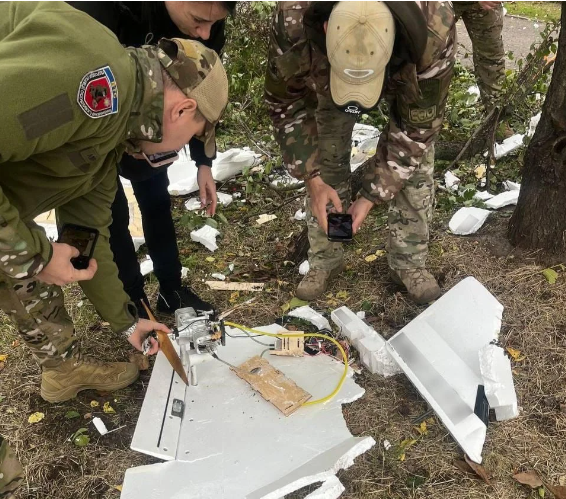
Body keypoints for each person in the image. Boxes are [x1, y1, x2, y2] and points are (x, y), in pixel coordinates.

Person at [0, 2, 228, 494]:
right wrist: (35, 255)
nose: (172, 156)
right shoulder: (95, 82)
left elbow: (87, 232)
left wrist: (126, 321)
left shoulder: (112, 135)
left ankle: (58, 370)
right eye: (186, 141)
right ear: (182, 108)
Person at [265, 1, 456, 304]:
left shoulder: (433, 29)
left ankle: (408, 264)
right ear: (326, 28)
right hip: (327, 69)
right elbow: (285, 103)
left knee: (413, 161)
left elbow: (416, 129)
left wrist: (370, 197)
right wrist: (312, 179)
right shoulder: (294, 20)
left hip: (405, 66)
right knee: (325, 152)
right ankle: (327, 258)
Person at [69, 1, 236, 319]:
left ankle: (171, 290)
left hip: (157, 129)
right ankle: (134, 303)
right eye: (199, 21)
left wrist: (203, 162)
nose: (205, 32)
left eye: (214, 24)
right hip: (94, 120)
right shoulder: (104, 9)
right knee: (110, 212)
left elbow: (203, 95)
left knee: (156, 198)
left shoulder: (209, 14)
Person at [453, 1, 506, 112]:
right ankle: (422, 122)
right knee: (427, 54)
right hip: (439, 3)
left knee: (492, 58)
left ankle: (496, 119)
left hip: (484, 6)